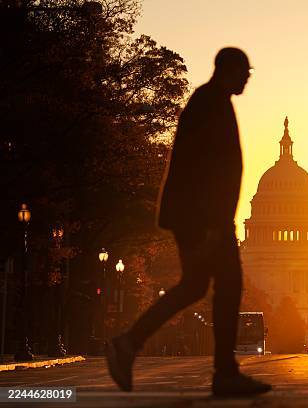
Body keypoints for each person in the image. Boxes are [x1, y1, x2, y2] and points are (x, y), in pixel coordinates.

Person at [105, 47, 271, 397]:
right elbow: (202, 169)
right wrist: (212, 224)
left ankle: (130, 344)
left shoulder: (212, 101)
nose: (247, 79)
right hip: (205, 217)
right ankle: (223, 372)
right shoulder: (210, 103)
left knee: (198, 286)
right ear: (228, 70)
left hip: (203, 215)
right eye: (244, 73)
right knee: (227, 285)